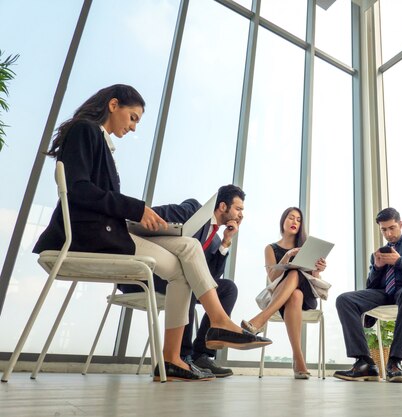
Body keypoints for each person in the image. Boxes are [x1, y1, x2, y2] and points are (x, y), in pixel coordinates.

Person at [33, 84, 270, 382]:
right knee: (188, 250)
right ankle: (218, 324)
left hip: (107, 232)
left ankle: (173, 358)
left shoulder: (100, 141)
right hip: (90, 236)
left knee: (187, 255)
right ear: (113, 105)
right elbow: (80, 191)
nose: (133, 128)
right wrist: (137, 209)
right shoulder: (85, 131)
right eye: (132, 118)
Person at [120, 187, 242, 378]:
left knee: (228, 289)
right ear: (223, 206)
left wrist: (226, 243)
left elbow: (210, 279)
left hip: (185, 280)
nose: (241, 215)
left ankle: (201, 354)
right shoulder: (192, 210)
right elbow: (148, 217)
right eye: (238, 209)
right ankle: (181, 356)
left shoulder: (216, 239)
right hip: (153, 272)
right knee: (190, 281)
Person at [333, 207, 402, 383]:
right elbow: (371, 286)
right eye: (384, 230)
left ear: (400, 224)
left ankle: (394, 363)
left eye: (392, 228)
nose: (388, 234)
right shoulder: (378, 254)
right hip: (386, 293)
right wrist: (377, 267)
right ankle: (365, 363)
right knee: (344, 299)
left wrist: (400, 261)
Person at [240, 207, 328, 379]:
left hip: (307, 296)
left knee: (295, 275)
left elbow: (314, 278)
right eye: (291, 218)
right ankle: (298, 358)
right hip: (283, 297)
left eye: (298, 219)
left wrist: (319, 269)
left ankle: (261, 319)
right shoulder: (271, 248)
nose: (295, 222)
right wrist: (287, 256)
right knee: (295, 294)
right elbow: (272, 277)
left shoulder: (307, 246)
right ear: (283, 221)